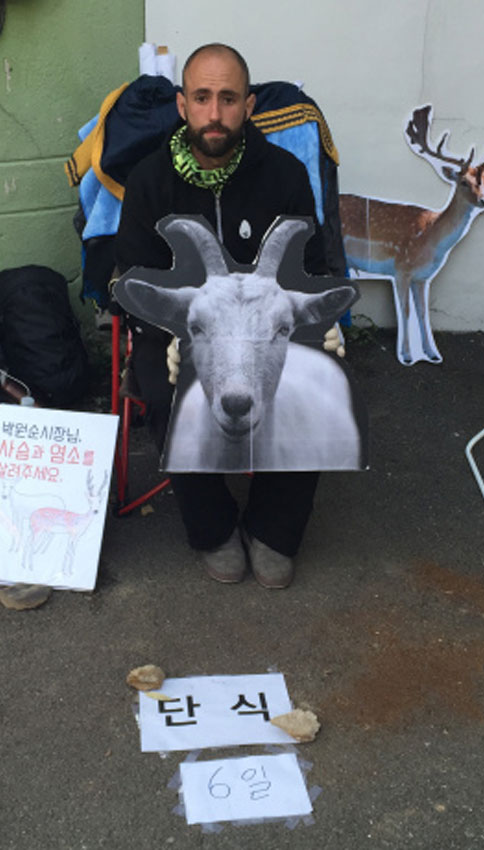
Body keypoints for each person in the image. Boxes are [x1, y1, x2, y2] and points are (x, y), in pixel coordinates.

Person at [114, 43, 333, 590]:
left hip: (267, 325)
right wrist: (167, 329)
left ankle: (274, 528)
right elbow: (130, 276)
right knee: (164, 391)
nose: (215, 113)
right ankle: (211, 528)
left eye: (229, 99)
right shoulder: (149, 179)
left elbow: (312, 264)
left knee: (314, 380)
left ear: (249, 106)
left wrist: (317, 319)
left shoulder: (284, 174)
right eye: (202, 97)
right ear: (182, 104)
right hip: (178, 328)